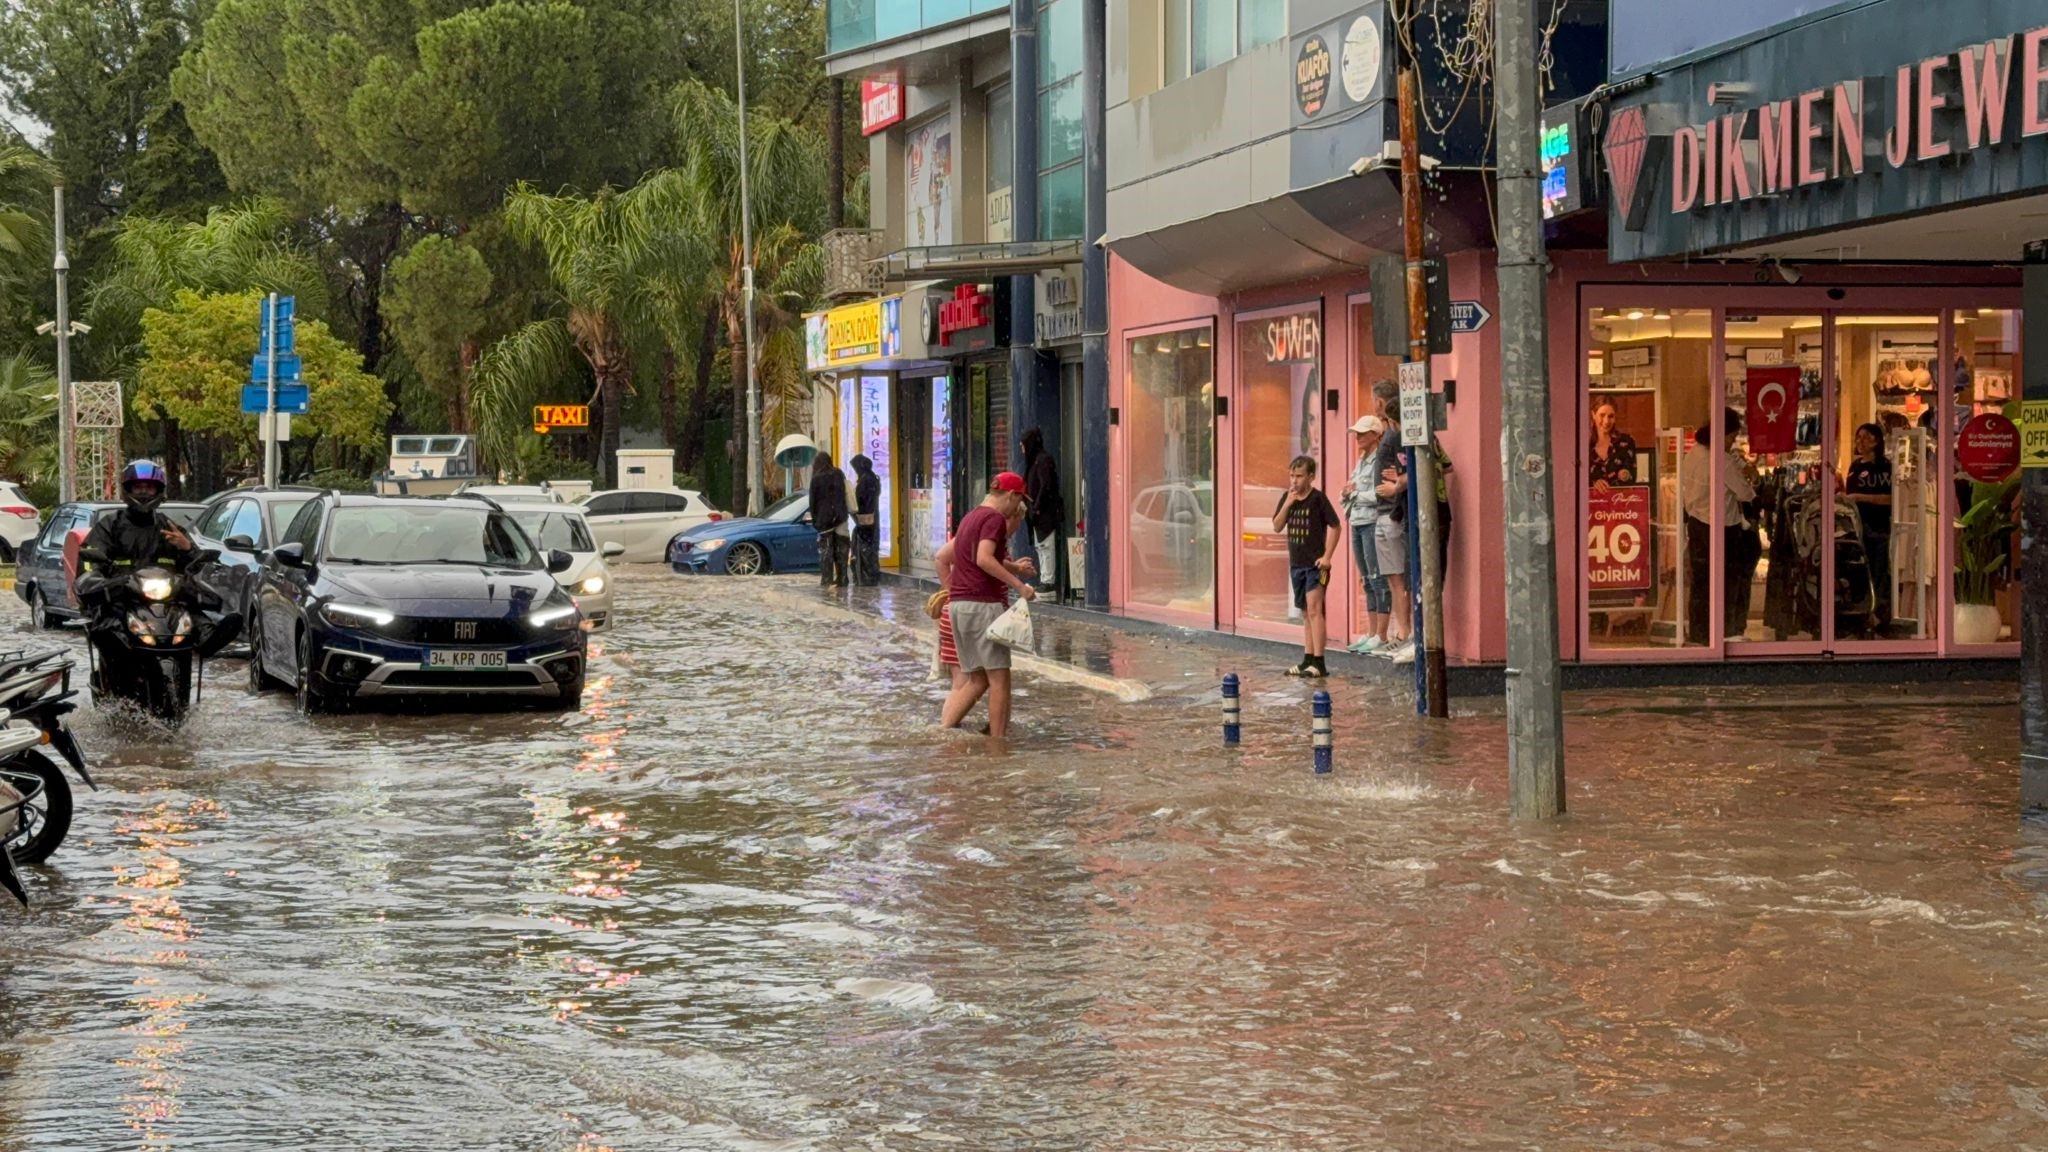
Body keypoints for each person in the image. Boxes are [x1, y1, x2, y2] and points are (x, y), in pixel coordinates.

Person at [76, 460, 198, 676]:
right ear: (128, 489)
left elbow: (194, 565)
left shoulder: (168, 527)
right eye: (138, 487)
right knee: (106, 630)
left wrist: (187, 547)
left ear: (159, 490)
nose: (144, 492)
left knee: (196, 619)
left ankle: (207, 641)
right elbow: (89, 561)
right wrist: (98, 581)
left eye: (149, 487)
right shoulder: (109, 525)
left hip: (164, 604)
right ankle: (114, 689)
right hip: (122, 599)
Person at [940, 473, 1038, 737]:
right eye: (1018, 503)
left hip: (960, 606)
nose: (1016, 511)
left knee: (977, 679)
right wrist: (1019, 586)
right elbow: (984, 559)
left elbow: (968, 556)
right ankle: (998, 743)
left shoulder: (972, 516)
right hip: (982, 604)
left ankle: (943, 730)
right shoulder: (994, 519)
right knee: (1000, 679)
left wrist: (1012, 566)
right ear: (1011, 495)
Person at [1680, 411, 1759, 643]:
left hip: (1697, 525)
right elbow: (1745, 493)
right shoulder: (1721, 460)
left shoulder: (1694, 453)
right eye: (1731, 437)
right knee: (1728, 583)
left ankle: (1699, 634)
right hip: (1724, 529)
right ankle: (1725, 633)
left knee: (1701, 584)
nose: (1731, 442)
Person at [1273, 454, 1341, 678]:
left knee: (1314, 609)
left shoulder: (1318, 499)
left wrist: (1327, 556)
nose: (1294, 481)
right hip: (1297, 564)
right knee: (1304, 612)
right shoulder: (1287, 497)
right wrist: (1289, 503)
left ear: (1311, 477)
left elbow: (1335, 526)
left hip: (1315, 564)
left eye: (1299, 476)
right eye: (1292, 476)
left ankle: (1319, 662)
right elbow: (1277, 525)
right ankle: (1308, 658)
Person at [1370, 379, 1413, 662]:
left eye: (1375, 401)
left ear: (1382, 402)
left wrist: (1396, 486)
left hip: (1391, 513)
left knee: (1397, 580)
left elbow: (1413, 468)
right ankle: (1402, 633)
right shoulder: (1391, 433)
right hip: (1386, 512)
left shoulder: (1396, 434)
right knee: (1392, 579)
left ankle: (1403, 633)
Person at [1341, 415, 1393, 654]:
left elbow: (1379, 493)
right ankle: (1371, 632)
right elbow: (1351, 487)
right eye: (1357, 434)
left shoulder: (1379, 460)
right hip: (1357, 521)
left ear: (1375, 435)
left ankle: (1382, 634)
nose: (1358, 438)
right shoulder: (1361, 460)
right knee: (1366, 579)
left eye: (1362, 433)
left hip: (1372, 522)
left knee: (1377, 577)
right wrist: (1347, 493)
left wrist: (1355, 495)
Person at [1843, 422, 1893, 634]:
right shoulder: (1855, 467)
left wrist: (1861, 497)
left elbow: (1891, 498)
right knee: (1859, 570)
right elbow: (1848, 496)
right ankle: (1861, 612)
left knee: (1879, 570)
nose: (1861, 442)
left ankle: (1879, 616)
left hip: (1880, 527)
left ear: (1877, 441)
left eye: (1866, 437)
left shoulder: (1886, 468)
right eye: (1858, 437)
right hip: (1858, 527)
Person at [1021, 428, 1064, 594]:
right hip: (1037, 512)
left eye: (1023, 445)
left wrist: (1037, 506)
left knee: (1046, 545)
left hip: (1045, 513)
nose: (1022, 449)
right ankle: (1045, 579)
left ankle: (1048, 581)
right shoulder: (1035, 461)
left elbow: (1046, 485)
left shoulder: (1042, 461)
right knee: (1041, 545)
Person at [806, 451, 849, 587]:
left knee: (826, 550)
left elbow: (813, 502)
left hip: (824, 520)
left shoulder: (816, 478)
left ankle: (827, 579)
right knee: (841, 548)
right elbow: (844, 494)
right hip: (840, 516)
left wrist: (815, 519)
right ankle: (842, 578)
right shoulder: (838, 474)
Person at [1588, 399, 1638, 489]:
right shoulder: (1583, 445)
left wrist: (1625, 475)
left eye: (1611, 416)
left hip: (1619, 500)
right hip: (1590, 502)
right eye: (1602, 415)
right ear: (1593, 415)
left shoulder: (1626, 442)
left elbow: (1632, 477)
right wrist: (1593, 483)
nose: (1606, 421)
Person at [850, 454, 882, 586]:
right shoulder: (873, 479)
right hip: (871, 519)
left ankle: (866, 578)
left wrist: (856, 511)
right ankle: (869, 577)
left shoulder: (865, 481)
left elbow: (863, 502)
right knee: (870, 549)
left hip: (865, 521)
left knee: (865, 550)